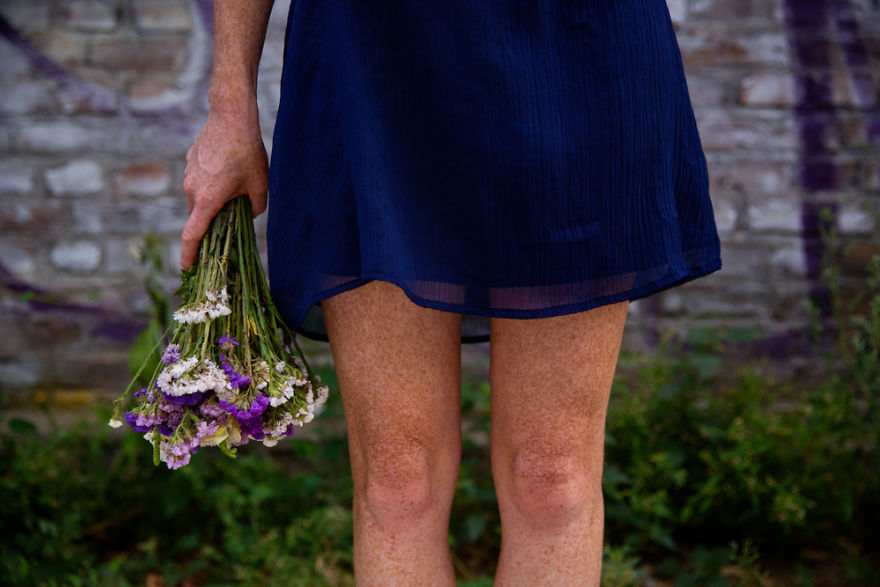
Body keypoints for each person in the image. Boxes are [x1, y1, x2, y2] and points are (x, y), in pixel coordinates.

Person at [182, 1, 722, 584]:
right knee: (398, 482)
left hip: (576, 46)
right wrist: (229, 108)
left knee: (551, 480)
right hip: (370, 61)